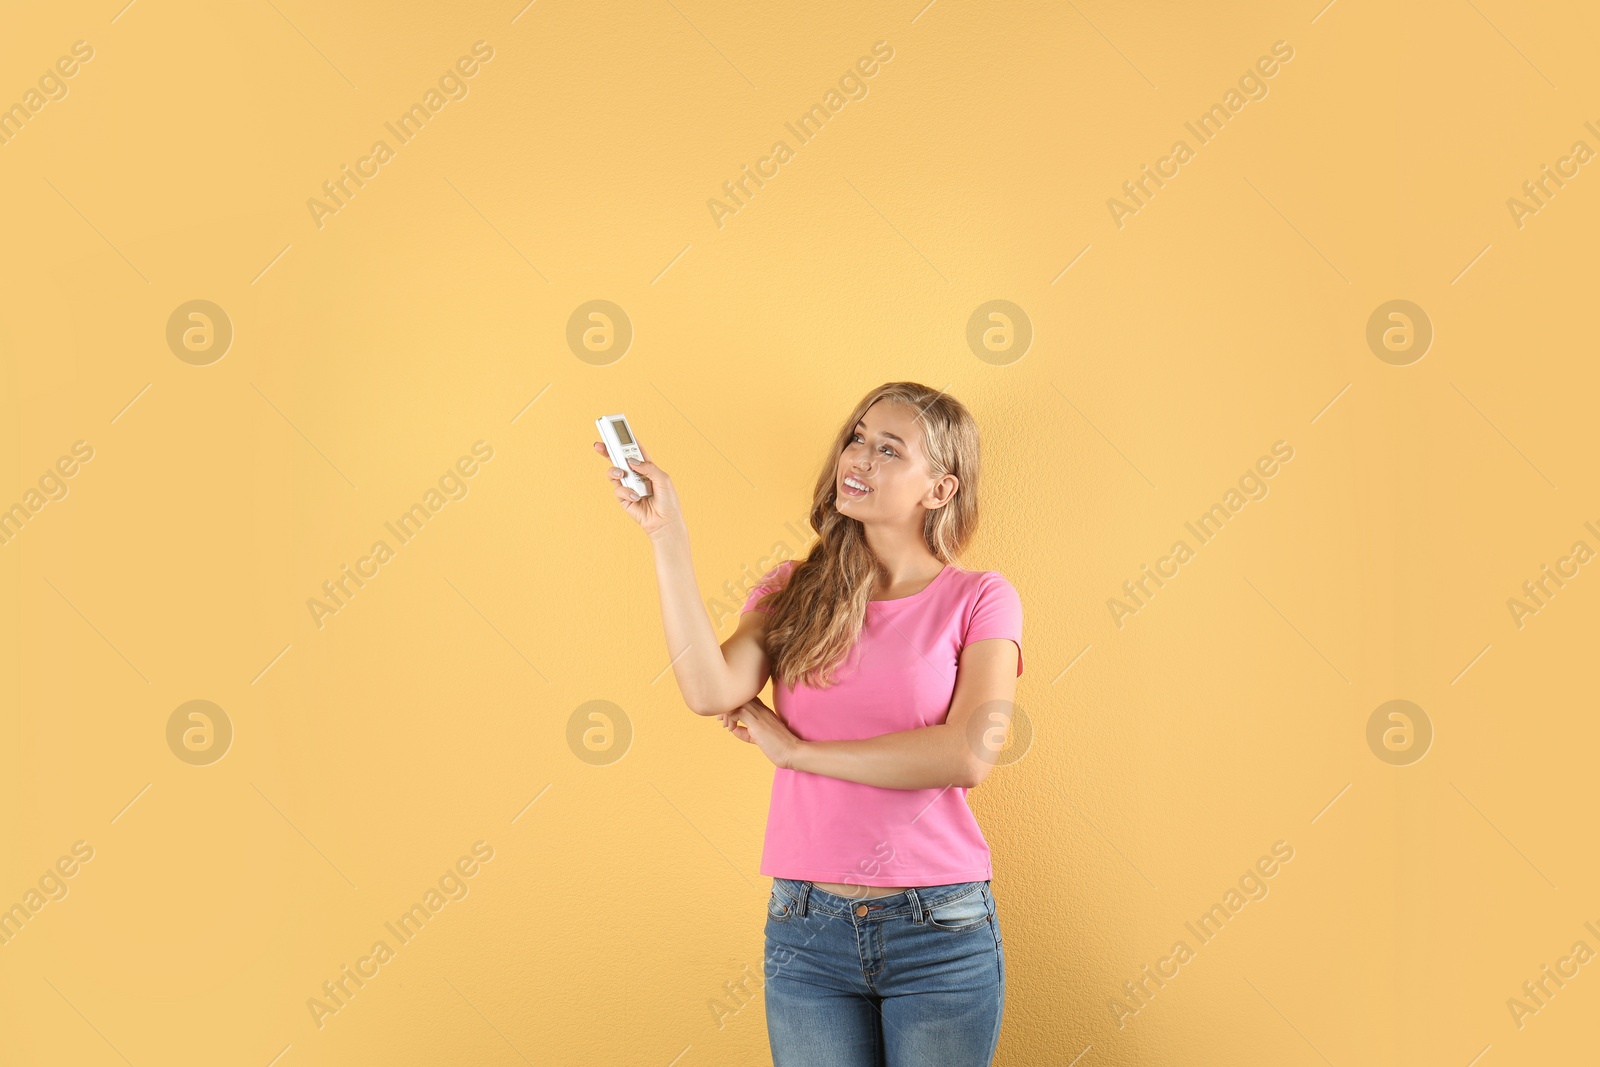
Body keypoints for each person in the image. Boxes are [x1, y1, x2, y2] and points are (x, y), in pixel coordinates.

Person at [593, 381, 1023, 1066]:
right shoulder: (793, 590)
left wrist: (799, 752)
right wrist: (666, 533)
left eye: (889, 449)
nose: (859, 456)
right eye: (857, 436)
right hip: (805, 929)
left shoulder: (980, 599)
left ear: (939, 489)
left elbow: (968, 753)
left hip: (939, 929)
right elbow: (709, 689)